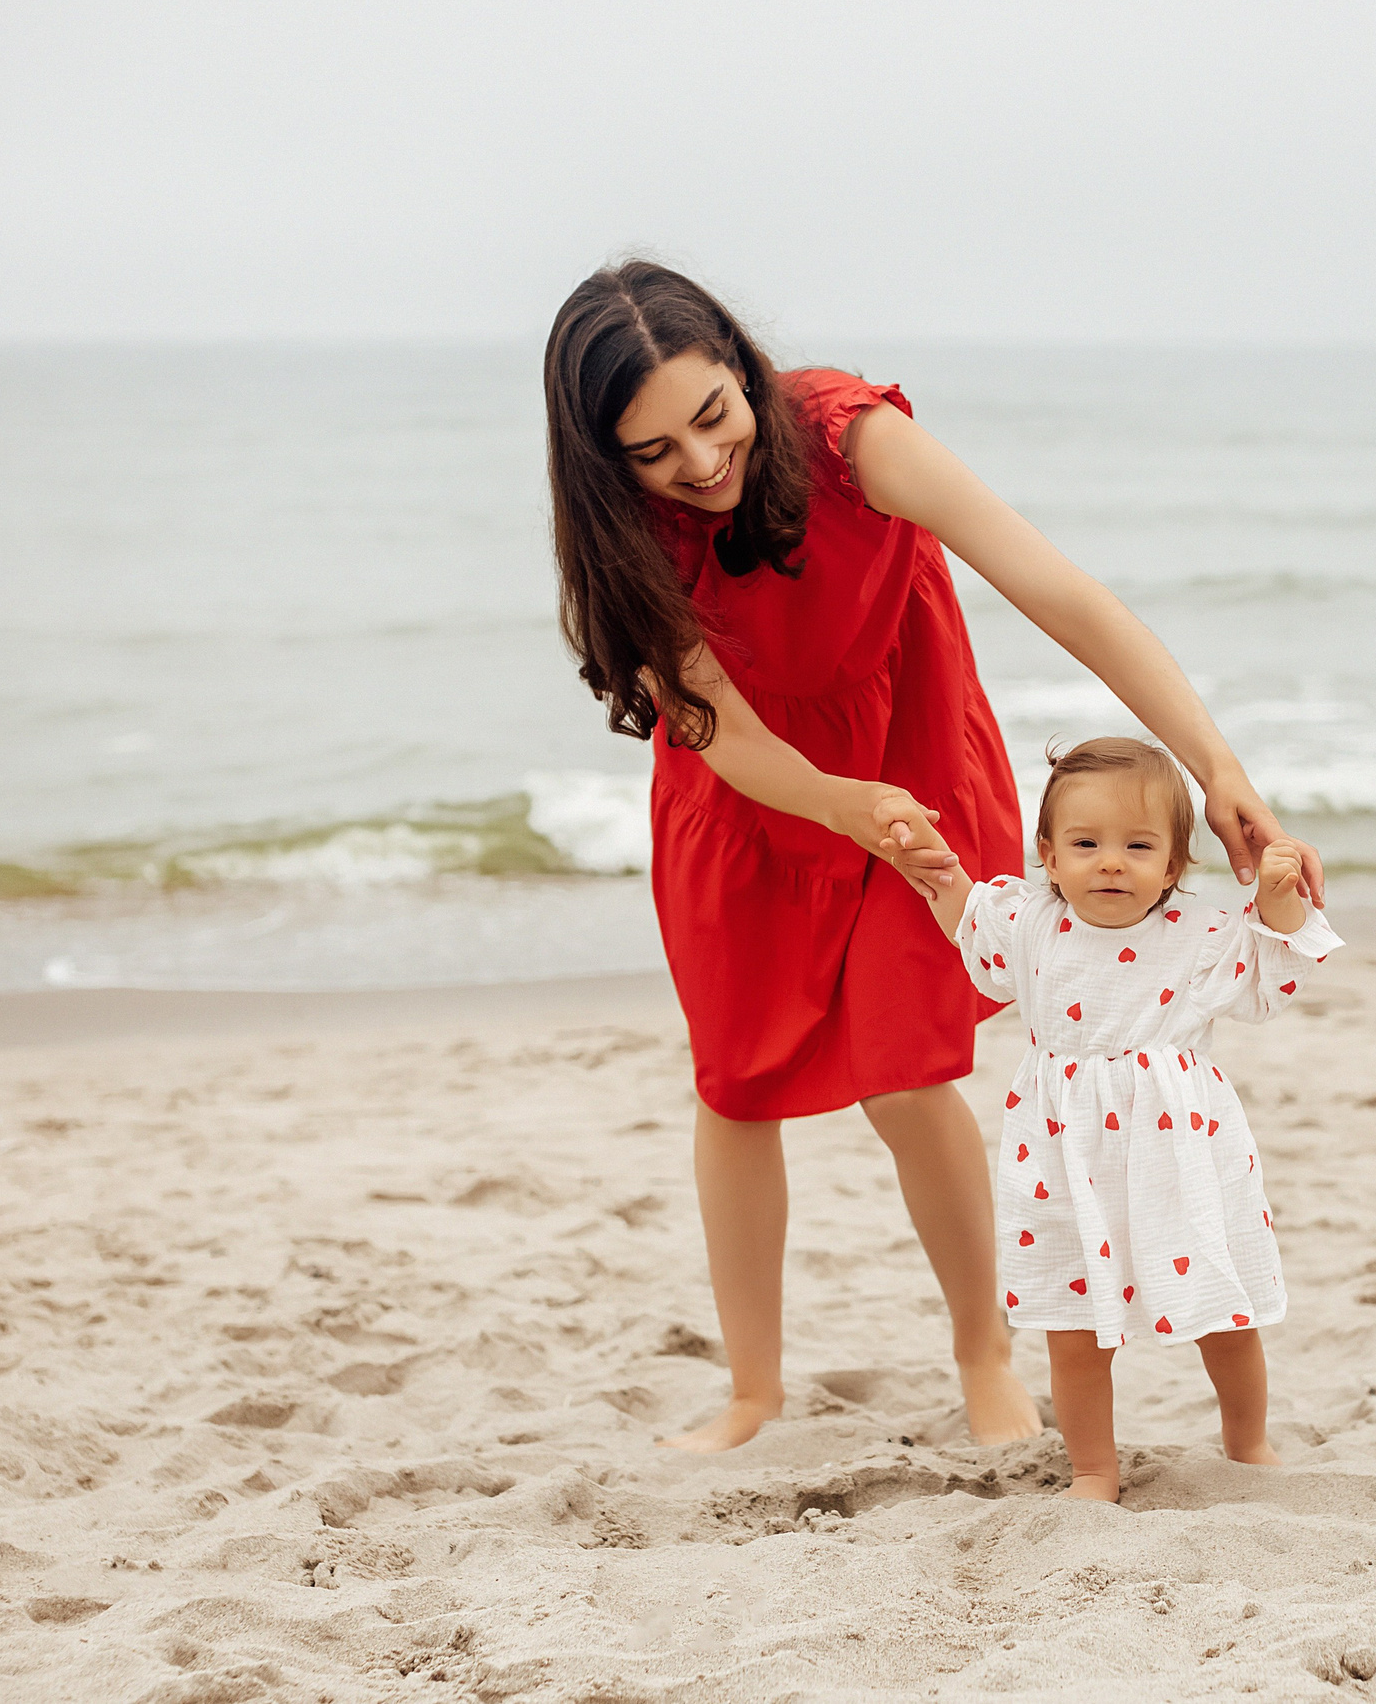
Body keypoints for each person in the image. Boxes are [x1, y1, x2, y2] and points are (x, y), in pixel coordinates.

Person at [542, 260, 1325, 1453]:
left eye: (712, 417)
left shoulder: (856, 440)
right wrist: (837, 805)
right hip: (753, 804)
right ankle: (753, 1389)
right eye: (653, 453)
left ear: (744, 371)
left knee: (907, 1073)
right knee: (736, 1084)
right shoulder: (622, 538)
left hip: (906, 754)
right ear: (605, 462)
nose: (699, 466)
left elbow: (1059, 592)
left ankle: (981, 1357)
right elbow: (725, 737)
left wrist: (1214, 766)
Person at [902, 737, 1339, 1501]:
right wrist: (933, 865)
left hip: (1179, 1149)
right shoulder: (1031, 919)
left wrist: (1277, 894)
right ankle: (1095, 1468)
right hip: (1065, 1154)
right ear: (1048, 854)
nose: (1111, 862)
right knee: (1073, 1326)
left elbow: (1268, 965)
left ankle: (1248, 1439)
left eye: (1139, 846)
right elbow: (962, 909)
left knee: (1223, 1312)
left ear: (1173, 864)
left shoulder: (1197, 931)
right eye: (1086, 843)